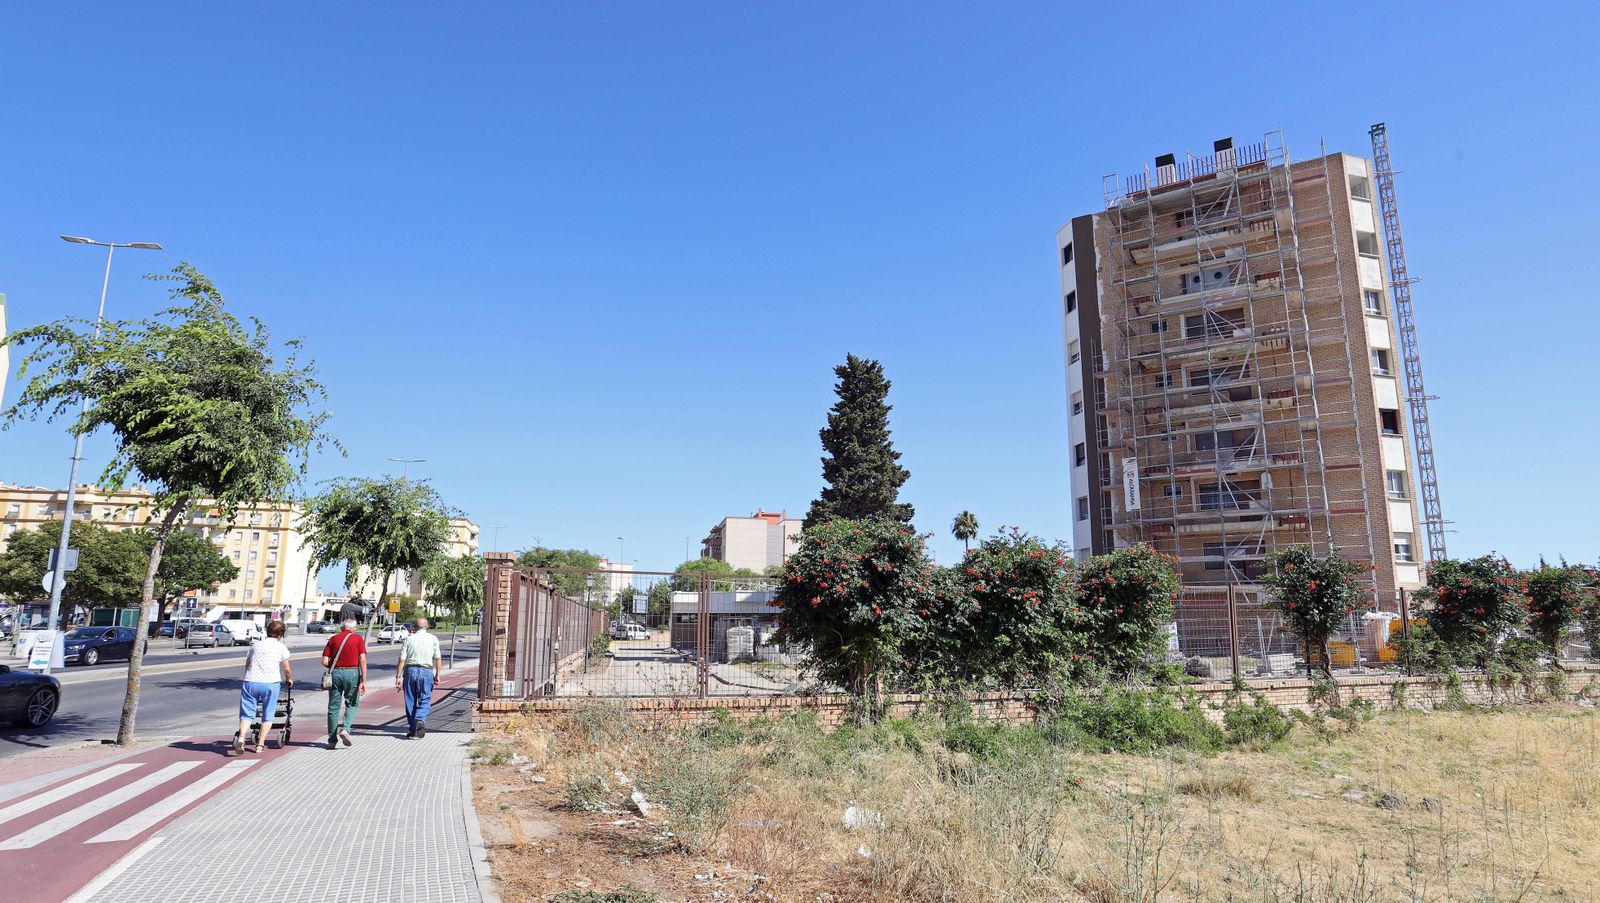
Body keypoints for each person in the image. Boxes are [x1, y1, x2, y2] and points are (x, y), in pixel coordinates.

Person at [236, 620, 292, 754]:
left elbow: (248, 663)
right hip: (270, 683)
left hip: (251, 681)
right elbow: (286, 668)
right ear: (281, 634)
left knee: (247, 713)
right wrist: (289, 679)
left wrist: (248, 676)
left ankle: (242, 738)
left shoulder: (256, 645)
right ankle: (260, 744)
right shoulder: (281, 648)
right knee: (268, 714)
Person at [321, 618, 368, 749]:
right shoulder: (357, 639)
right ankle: (345, 729)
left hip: (335, 673)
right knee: (352, 703)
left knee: (333, 707)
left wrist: (335, 666)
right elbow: (362, 660)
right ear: (353, 628)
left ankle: (332, 739)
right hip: (352, 673)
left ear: (342, 627)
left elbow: (324, 661)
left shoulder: (333, 639)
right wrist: (363, 681)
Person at [396, 616, 442, 738]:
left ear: (414, 627)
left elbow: (402, 660)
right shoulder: (433, 639)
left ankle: (413, 730)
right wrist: (438, 674)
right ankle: (420, 718)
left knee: (410, 700)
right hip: (426, 671)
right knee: (425, 698)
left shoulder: (409, 639)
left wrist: (398, 677)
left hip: (410, 670)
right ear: (427, 626)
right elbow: (437, 658)